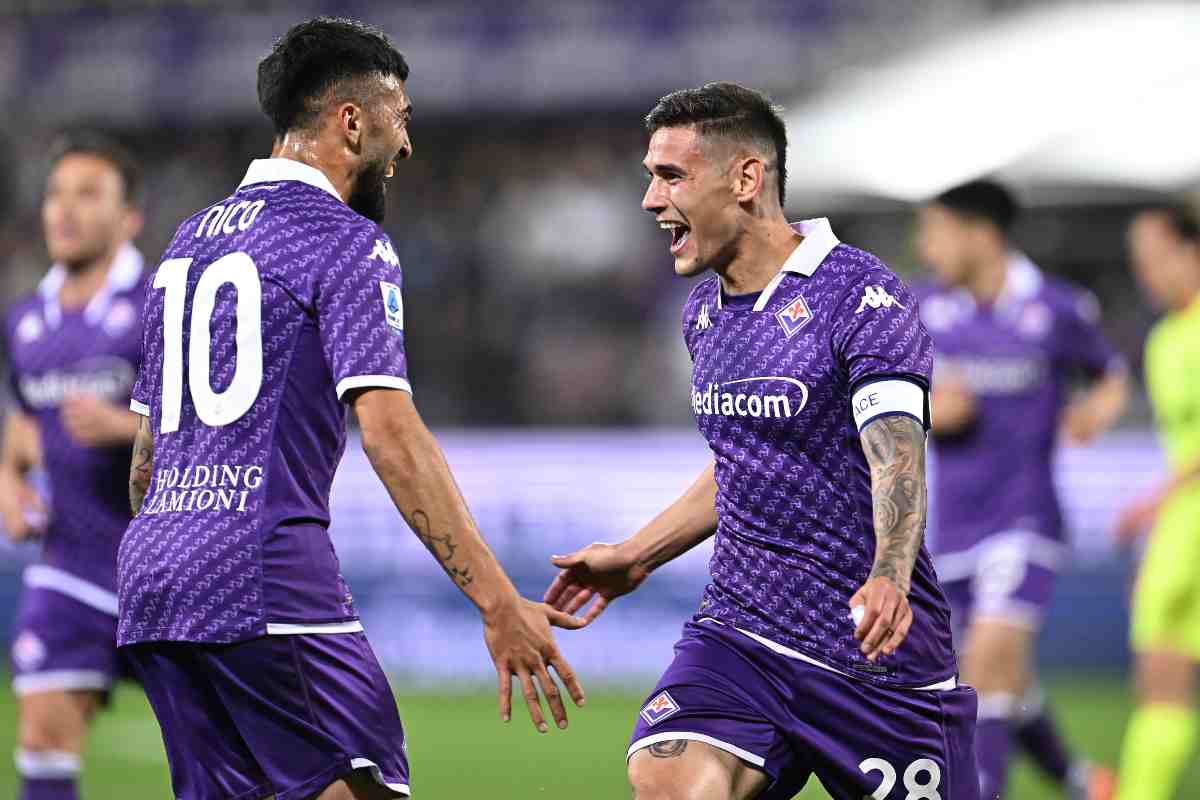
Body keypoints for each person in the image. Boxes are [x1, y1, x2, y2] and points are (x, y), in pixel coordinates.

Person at [119, 17, 583, 800]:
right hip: (262, 574)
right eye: (400, 118)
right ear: (351, 121)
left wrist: (176, 555)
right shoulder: (343, 240)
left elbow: (147, 457)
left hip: (154, 578)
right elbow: (391, 436)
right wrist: (498, 601)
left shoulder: (187, 242)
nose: (407, 146)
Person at [544, 82, 978, 800]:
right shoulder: (704, 312)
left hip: (870, 650)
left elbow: (897, 455)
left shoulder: (859, 296)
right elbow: (744, 462)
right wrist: (638, 554)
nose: (651, 200)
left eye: (671, 176)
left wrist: (890, 575)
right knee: (668, 778)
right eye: (651, 177)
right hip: (742, 635)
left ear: (746, 178)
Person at [915, 180, 1127, 800]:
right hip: (951, 527)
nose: (927, 248)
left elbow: (1110, 373)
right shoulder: (922, 307)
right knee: (1000, 677)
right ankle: (1081, 781)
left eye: (936, 232)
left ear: (980, 234)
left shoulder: (1055, 307)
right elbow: (881, 394)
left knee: (986, 670)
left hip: (1025, 519)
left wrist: (1094, 413)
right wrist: (928, 408)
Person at [1, 131, 147, 800]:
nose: (64, 209)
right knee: (41, 739)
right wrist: (8, 483)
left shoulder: (161, 306)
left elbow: (220, 434)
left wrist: (123, 427)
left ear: (129, 217)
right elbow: (21, 429)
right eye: (56, 194)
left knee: (232, 763)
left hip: (169, 572)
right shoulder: (25, 322)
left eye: (88, 194)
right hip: (71, 565)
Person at [1112, 205, 1200, 800]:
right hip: (1184, 522)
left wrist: (1152, 507)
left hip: (1181, 516)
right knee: (1162, 678)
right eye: (1138, 261)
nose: (1145, 272)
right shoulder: (1165, 339)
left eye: (1155, 256)